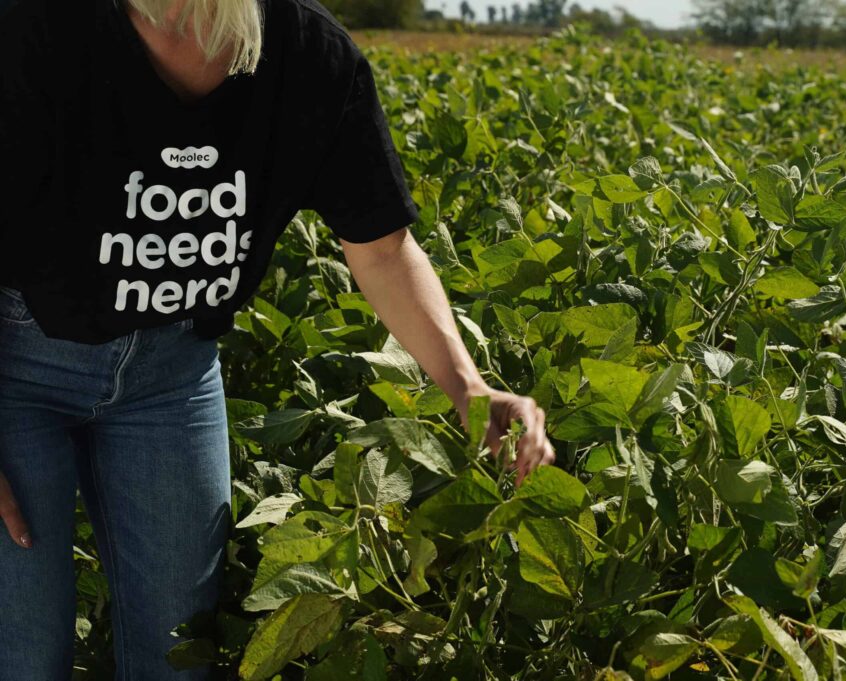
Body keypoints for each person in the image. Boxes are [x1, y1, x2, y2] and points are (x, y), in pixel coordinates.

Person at [0, 0, 557, 678]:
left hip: (170, 380)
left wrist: (467, 385)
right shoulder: (36, 26)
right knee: (22, 653)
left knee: (180, 652)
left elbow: (382, 250)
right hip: (16, 372)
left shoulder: (308, 54)